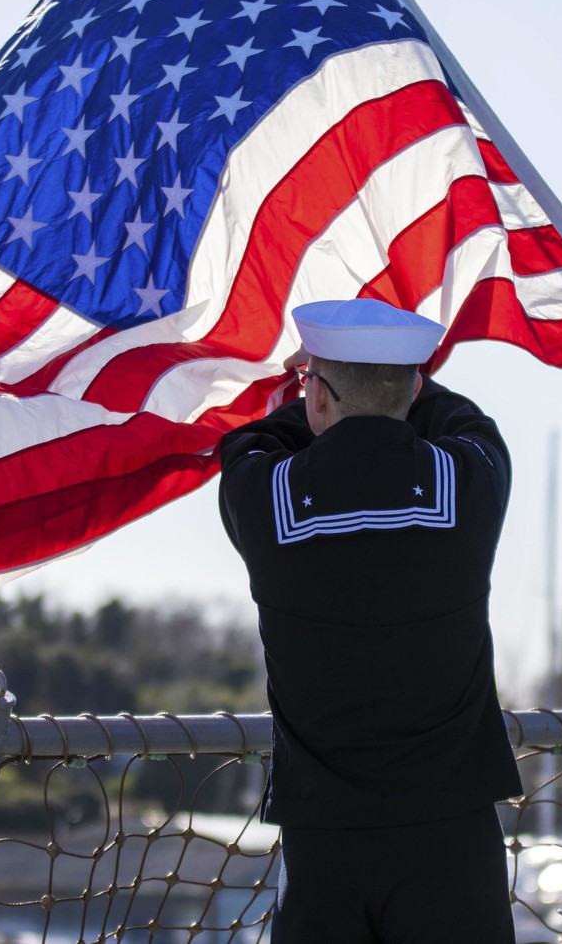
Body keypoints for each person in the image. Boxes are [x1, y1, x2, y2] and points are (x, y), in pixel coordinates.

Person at [218, 298, 520, 943]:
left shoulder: (263, 500)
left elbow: (255, 440)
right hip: (454, 834)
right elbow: (466, 421)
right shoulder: (469, 484)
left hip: (323, 839)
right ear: (412, 387)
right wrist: (398, 380)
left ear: (316, 398)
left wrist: (312, 392)